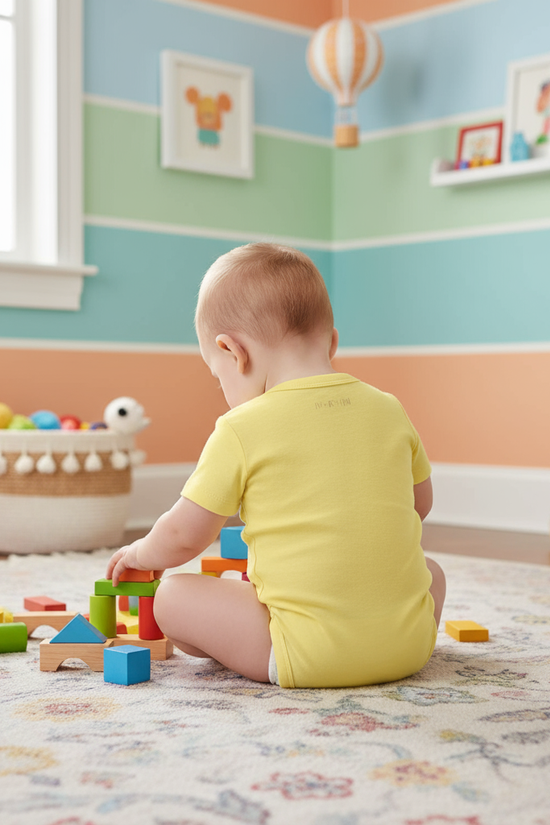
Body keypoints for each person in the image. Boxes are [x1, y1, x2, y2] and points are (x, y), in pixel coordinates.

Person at [106, 243, 446, 689]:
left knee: (172, 597)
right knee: (432, 570)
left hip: (303, 655)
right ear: (333, 342)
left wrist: (138, 553)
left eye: (218, 372)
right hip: (408, 647)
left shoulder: (241, 427)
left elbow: (184, 534)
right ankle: (384, 642)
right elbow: (419, 505)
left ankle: (273, 653)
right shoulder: (389, 408)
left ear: (233, 352)